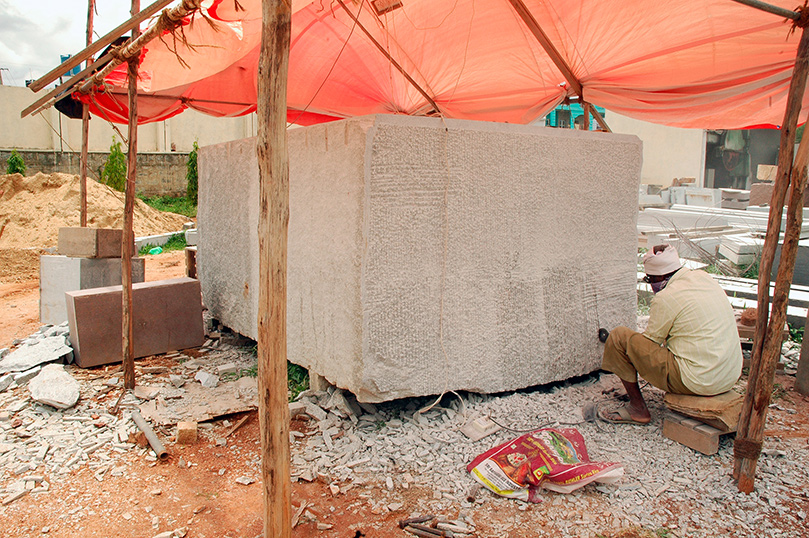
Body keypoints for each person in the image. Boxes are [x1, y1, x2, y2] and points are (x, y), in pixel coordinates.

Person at [599, 244, 743, 424]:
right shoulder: (704, 278)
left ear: (659, 276)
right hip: (728, 376)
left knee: (619, 336)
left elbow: (650, 344)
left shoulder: (666, 297)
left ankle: (638, 408)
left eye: (650, 279)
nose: (652, 285)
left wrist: (626, 363)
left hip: (699, 381)